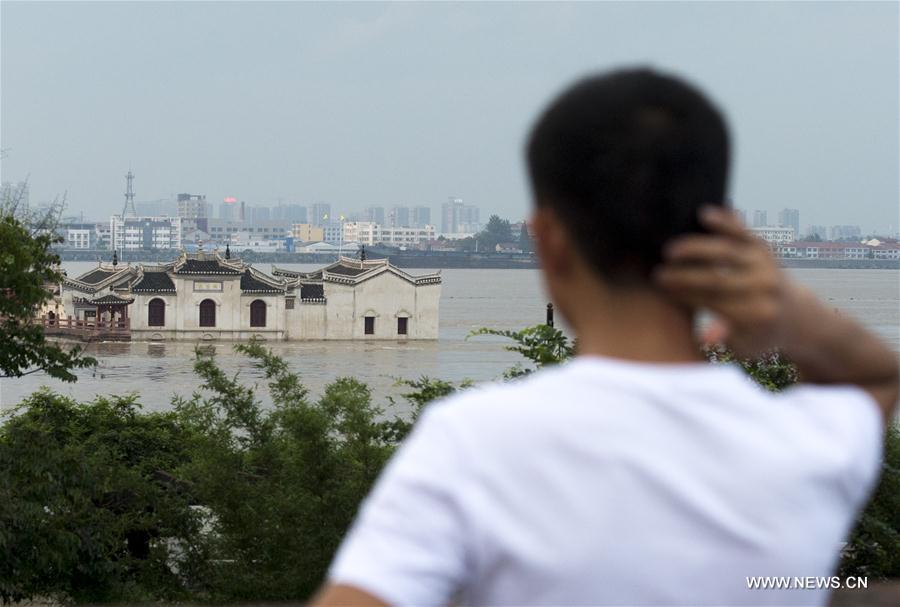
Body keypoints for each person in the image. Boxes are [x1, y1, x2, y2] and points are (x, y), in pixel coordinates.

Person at [312, 68, 898, 606]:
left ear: (547, 240)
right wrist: (792, 310)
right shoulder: (802, 449)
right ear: (723, 235)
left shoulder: (472, 445)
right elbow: (876, 375)